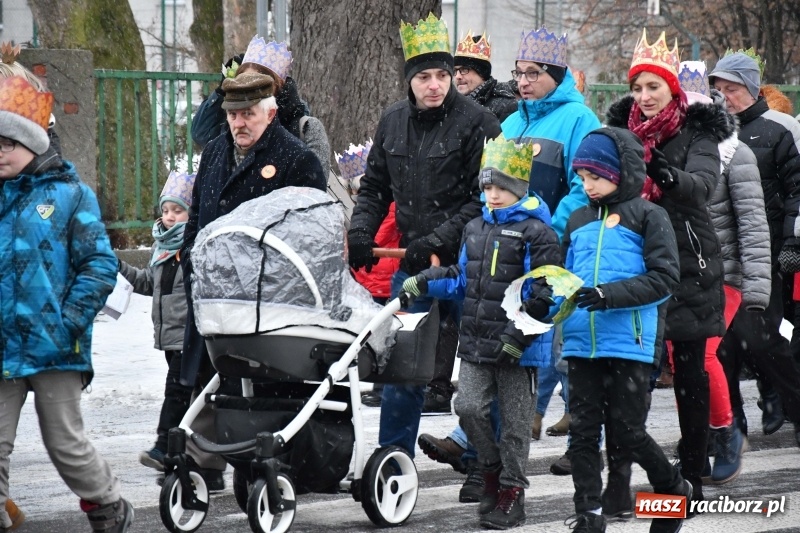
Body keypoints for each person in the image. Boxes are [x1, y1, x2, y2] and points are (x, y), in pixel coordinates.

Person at [418, 25, 601, 490]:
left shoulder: (579, 120)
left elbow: (582, 183)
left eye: (534, 73)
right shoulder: (512, 122)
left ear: (557, 76)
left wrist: (548, 232)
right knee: (503, 355)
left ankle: (503, 453)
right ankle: (480, 454)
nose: (523, 82)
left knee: (539, 356)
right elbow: (492, 181)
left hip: (548, 255)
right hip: (504, 257)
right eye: (519, 73)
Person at [347, 13, 501, 459]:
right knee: (403, 367)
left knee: (480, 366)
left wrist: (438, 239)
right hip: (414, 265)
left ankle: (483, 461)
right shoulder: (392, 121)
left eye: (442, 76)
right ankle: (394, 460)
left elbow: (487, 198)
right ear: (410, 81)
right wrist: (361, 230)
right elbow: (374, 187)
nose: (434, 85)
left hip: (474, 262)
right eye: (424, 77)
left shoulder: (480, 122)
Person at [401, 135, 561, 529]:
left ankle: (512, 493)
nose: (493, 194)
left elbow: (546, 291)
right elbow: (461, 279)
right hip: (475, 344)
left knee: (515, 425)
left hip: (518, 349)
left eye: (502, 187)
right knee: (469, 407)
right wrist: (426, 280)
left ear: (520, 188)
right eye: (488, 187)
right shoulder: (475, 228)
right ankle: (489, 470)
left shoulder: (537, 233)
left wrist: (518, 334)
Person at [180, 71, 327, 489]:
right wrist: (195, 264)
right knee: (217, 384)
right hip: (214, 299)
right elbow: (196, 220)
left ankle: (272, 467)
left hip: (268, 307)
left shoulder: (298, 159)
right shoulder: (214, 154)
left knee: (265, 393)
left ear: (271, 112)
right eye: (232, 115)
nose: (239, 123)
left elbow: (308, 239)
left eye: (248, 114)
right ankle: (214, 463)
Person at [0, 76, 133, 533]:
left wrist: (69, 322)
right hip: (2, 347)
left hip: (56, 345)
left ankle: (106, 502)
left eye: (7, 143)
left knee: (65, 443)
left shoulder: (70, 195)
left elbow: (99, 265)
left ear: (33, 143)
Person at [604, 28, 728, 506]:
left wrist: (660, 169)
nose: (644, 96)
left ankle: (692, 472)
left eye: (653, 86)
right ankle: (618, 481)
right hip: (634, 260)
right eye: (637, 88)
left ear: (672, 89)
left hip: (689, 262)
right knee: (628, 375)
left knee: (691, 372)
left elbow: (700, 186)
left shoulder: (697, 131)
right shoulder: (621, 133)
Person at [562, 126, 690, 533]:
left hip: (629, 344)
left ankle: (672, 490)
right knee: (582, 434)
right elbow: (566, 280)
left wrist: (608, 295)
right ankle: (589, 514)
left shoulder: (650, 215)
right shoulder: (578, 219)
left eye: (595, 177)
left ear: (621, 172)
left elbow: (664, 278)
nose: (588, 185)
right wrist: (542, 298)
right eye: (582, 177)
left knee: (628, 433)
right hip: (582, 343)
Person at [679, 61, 771, 484]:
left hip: (725, 274)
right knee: (681, 361)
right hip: (679, 272)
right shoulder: (663, 147)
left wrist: (756, 288)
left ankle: (726, 432)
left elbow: (752, 223)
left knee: (706, 353)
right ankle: (696, 438)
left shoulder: (736, 153)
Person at [420, 29, 519, 417]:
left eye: (466, 71)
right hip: (448, 220)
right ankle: (435, 382)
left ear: (483, 75)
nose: (459, 77)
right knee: (443, 308)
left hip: (480, 216)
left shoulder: (498, 111)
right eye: (455, 70)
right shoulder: (445, 110)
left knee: (471, 311)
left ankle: (472, 391)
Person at [709, 51, 800, 448]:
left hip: (771, 253)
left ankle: (792, 408)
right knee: (721, 344)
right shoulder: (712, 132)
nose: (723, 96)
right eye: (718, 89)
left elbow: (798, 190)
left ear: (749, 88)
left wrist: (794, 243)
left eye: (731, 88)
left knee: (766, 343)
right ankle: (731, 424)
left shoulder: (780, 128)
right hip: (724, 254)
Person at [118, 171, 196, 473]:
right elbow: (147, 283)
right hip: (168, 337)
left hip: (189, 338)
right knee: (192, 399)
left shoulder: (192, 247)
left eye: (178, 210)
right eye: (165, 210)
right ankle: (195, 463)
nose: (170, 217)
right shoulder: (161, 249)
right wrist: (118, 268)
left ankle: (165, 447)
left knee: (176, 392)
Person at [191, 35, 331, 171]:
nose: (247, 89)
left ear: (276, 86)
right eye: (241, 81)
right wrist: (223, 93)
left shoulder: (304, 128)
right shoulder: (229, 131)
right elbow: (201, 134)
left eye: (256, 83)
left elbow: (312, 186)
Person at [335, 141, 401, 407]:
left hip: (383, 279)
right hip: (371, 279)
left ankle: (384, 387)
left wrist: (355, 235)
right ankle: (378, 384)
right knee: (377, 336)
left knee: (386, 337)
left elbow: (379, 234)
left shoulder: (387, 208)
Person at [453, 30, 517, 121]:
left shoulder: (505, 107)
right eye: (455, 71)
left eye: (464, 69)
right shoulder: (451, 106)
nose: (457, 76)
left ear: (482, 73)